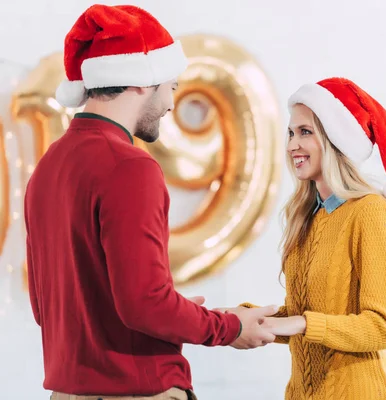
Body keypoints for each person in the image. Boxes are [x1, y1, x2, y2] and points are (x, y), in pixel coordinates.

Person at [24, 5, 275, 400]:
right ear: (141, 81)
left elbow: (47, 308)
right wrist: (230, 327)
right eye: (171, 87)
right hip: (136, 391)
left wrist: (175, 312)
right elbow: (143, 305)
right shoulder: (129, 166)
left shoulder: (48, 168)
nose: (172, 103)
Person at [225, 77, 386, 399]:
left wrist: (302, 324)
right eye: (290, 133)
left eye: (305, 132)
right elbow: (310, 316)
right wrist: (243, 315)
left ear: (335, 139)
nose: (292, 145)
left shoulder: (369, 212)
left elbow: (383, 327)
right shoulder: (308, 215)